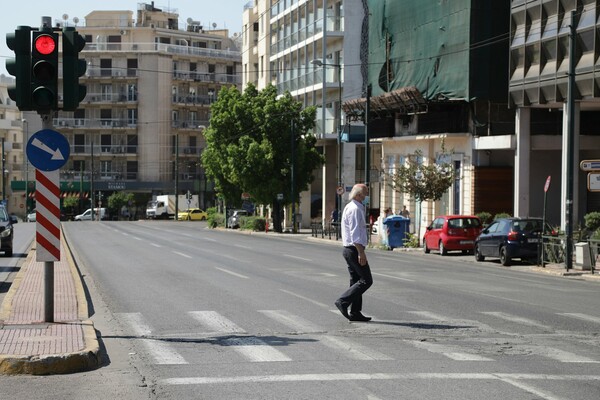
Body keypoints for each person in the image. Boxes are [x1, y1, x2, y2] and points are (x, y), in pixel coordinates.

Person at [334, 183, 373, 322]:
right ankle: (343, 301)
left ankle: (355, 312)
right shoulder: (355, 209)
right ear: (358, 195)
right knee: (366, 280)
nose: (367, 196)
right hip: (354, 249)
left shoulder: (351, 207)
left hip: (350, 249)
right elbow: (355, 233)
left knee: (356, 280)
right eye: (365, 193)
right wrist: (361, 253)